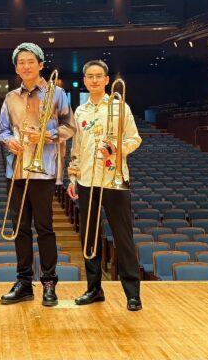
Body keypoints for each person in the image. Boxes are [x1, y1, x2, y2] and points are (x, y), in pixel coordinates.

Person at [0, 42, 75, 307]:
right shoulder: (10, 98)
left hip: (44, 171)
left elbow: (69, 127)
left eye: (31, 61)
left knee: (44, 228)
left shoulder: (58, 93)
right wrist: (9, 141)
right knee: (20, 230)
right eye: (21, 62)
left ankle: (49, 283)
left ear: (41, 65)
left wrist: (46, 135)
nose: (26, 66)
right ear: (16, 68)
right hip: (17, 170)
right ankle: (23, 283)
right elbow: (3, 131)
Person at [66, 60, 143, 311]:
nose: (94, 80)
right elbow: (76, 148)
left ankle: (132, 293)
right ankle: (93, 289)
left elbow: (134, 138)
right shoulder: (80, 111)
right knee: (89, 237)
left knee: (123, 236)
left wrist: (116, 148)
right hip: (87, 180)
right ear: (85, 81)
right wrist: (72, 177)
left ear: (107, 80)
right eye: (90, 76)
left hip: (113, 179)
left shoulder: (120, 107)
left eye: (99, 76)